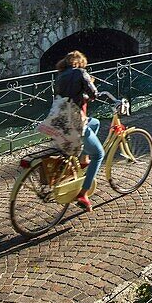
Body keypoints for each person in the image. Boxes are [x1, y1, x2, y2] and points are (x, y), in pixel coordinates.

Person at [53, 50, 103, 211]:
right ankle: (83, 194)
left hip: (59, 119)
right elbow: (93, 93)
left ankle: (82, 160)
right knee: (99, 154)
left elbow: (67, 94)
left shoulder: (60, 75)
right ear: (80, 63)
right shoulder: (81, 73)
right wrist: (91, 95)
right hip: (75, 121)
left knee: (95, 122)